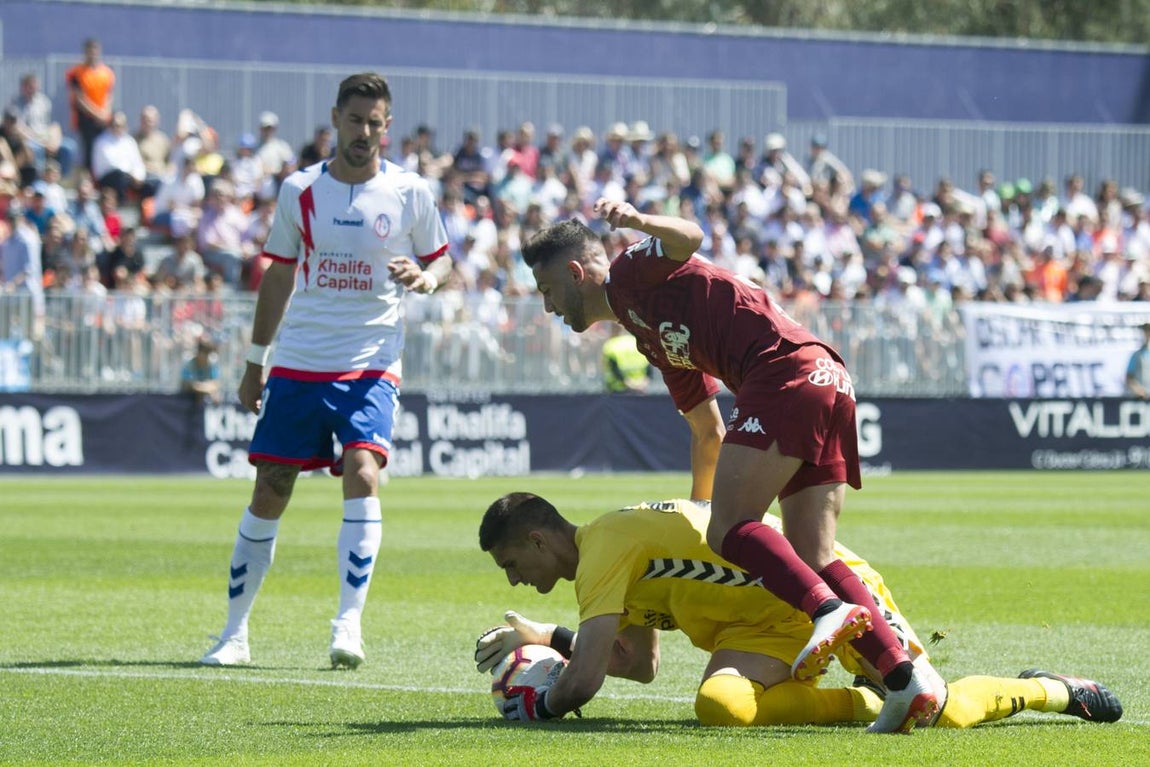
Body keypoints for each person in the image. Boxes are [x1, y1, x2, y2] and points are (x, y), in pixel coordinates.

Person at [520, 199, 937, 732]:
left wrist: (638, 220)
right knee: (814, 555)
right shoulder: (650, 339)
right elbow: (708, 431)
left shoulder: (629, 273)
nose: (549, 306)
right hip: (825, 375)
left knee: (733, 529)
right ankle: (904, 682)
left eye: (548, 291)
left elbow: (688, 237)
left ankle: (827, 612)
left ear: (575, 273)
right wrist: (698, 510)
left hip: (783, 372)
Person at [474, 493, 1124, 730]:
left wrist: (537, 702)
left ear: (537, 538)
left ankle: (1051, 690)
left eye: (512, 564)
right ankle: (864, 703)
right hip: (758, 629)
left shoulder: (604, 549)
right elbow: (638, 666)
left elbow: (584, 681)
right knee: (719, 706)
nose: (517, 580)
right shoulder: (609, 558)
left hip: (832, 596)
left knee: (939, 712)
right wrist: (552, 637)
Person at [199, 72, 451, 670]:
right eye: (355, 119)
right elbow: (279, 274)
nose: (364, 132)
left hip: (371, 362)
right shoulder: (300, 190)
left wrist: (427, 278)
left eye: (375, 122)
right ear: (335, 119)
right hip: (300, 360)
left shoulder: (411, 192)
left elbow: (441, 261)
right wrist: (255, 363)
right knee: (271, 487)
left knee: (364, 471)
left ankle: (348, 624)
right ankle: (234, 634)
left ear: (386, 127)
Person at [65, 38, 116, 174]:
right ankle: (87, 181)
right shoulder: (76, 73)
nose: (92, 54)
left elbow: (108, 95)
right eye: (89, 51)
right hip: (85, 120)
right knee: (87, 153)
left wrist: (105, 113)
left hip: (103, 120)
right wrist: (97, 114)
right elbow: (79, 99)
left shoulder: (107, 73)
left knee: (102, 151)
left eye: (95, 50)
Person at [602, 323, 652, 393]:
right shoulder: (640, 343)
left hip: (618, 390)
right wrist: (643, 383)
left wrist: (629, 384)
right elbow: (649, 365)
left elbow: (613, 369)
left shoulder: (611, 345)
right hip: (641, 388)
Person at [181, 335, 222, 405]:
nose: (206, 357)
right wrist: (208, 389)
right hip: (187, 399)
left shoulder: (211, 365)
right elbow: (190, 386)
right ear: (199, 353)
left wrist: (203, 388)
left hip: (204, 400)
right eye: (205, 353)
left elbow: (216, 384)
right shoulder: (189, 365)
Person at [1126, 323, 1150, 400]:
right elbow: (1129, 378)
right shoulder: (1136, 356)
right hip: (1141, 400)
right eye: (1146, 331)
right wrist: (1140, 391)